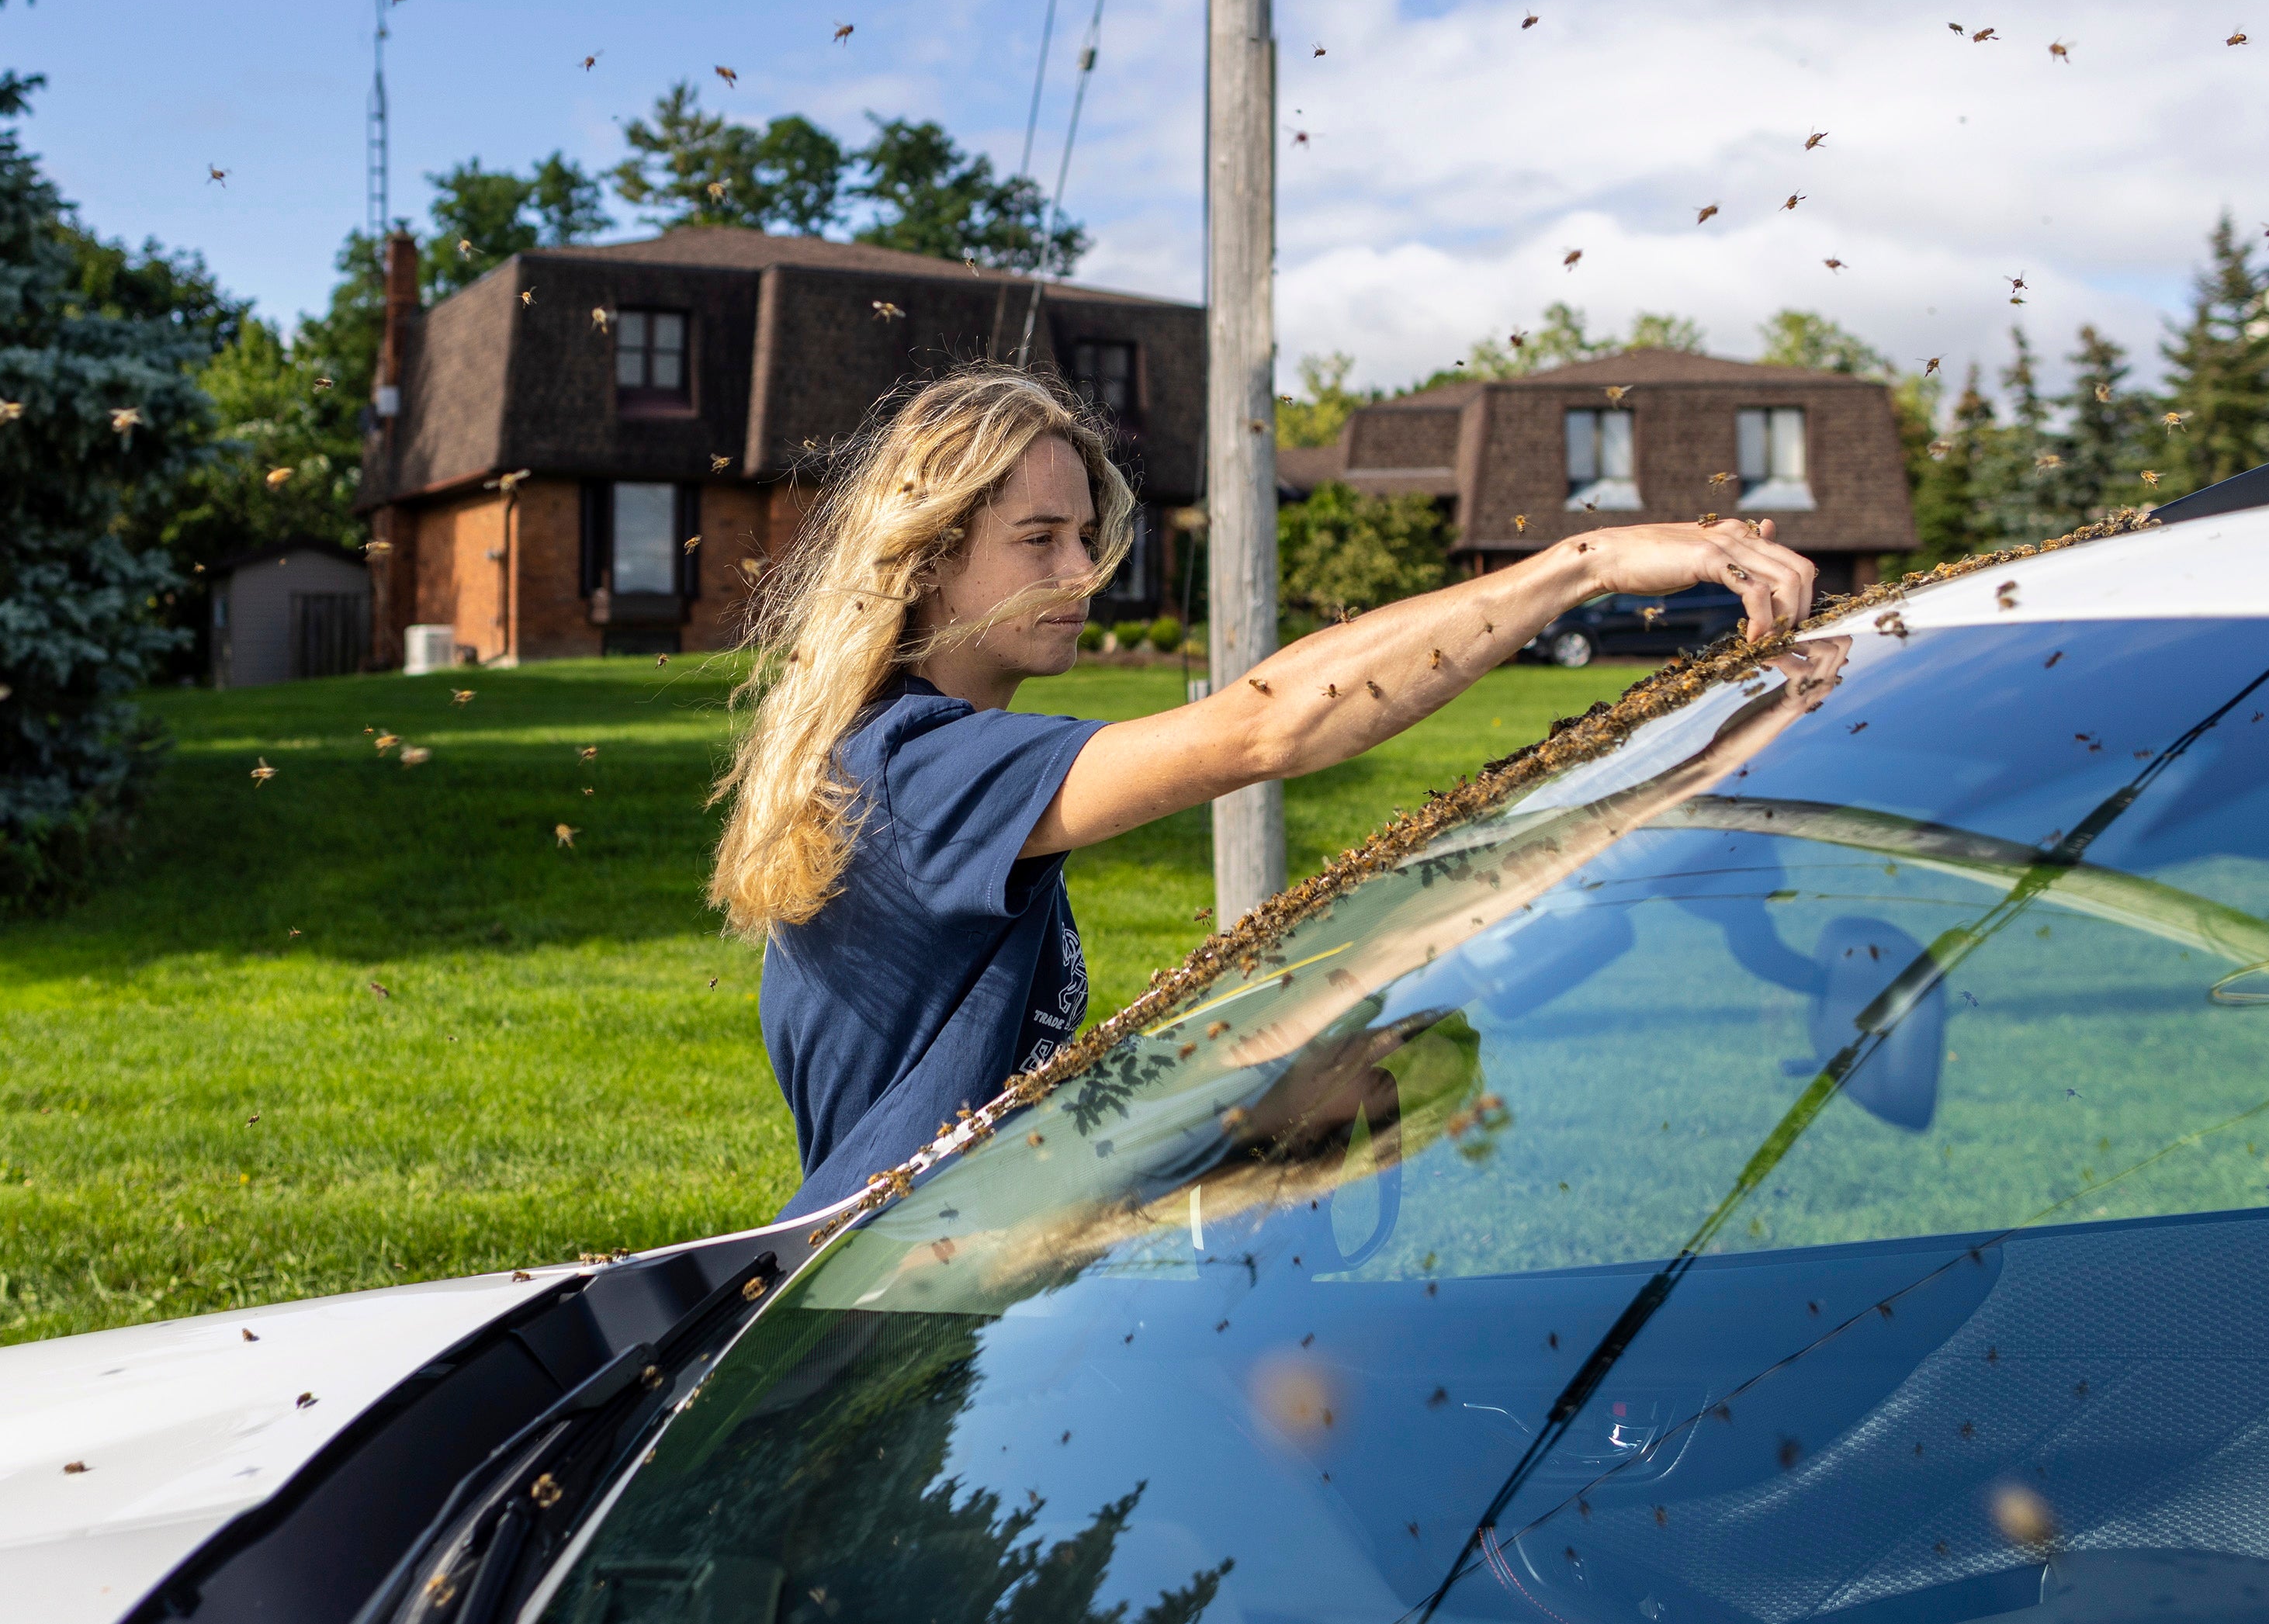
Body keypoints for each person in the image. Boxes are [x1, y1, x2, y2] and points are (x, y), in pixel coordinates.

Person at [708, 369, 1818, 1216]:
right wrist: (1583, 566)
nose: (1078, 572)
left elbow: (1012, 1117)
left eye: (1086, 536)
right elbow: (1266, 724)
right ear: (929, 558)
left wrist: (1250, 1117)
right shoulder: (921, 772)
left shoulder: (912, 758)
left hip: (936, 1287)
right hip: (876, 1325)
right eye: (1037, 539)